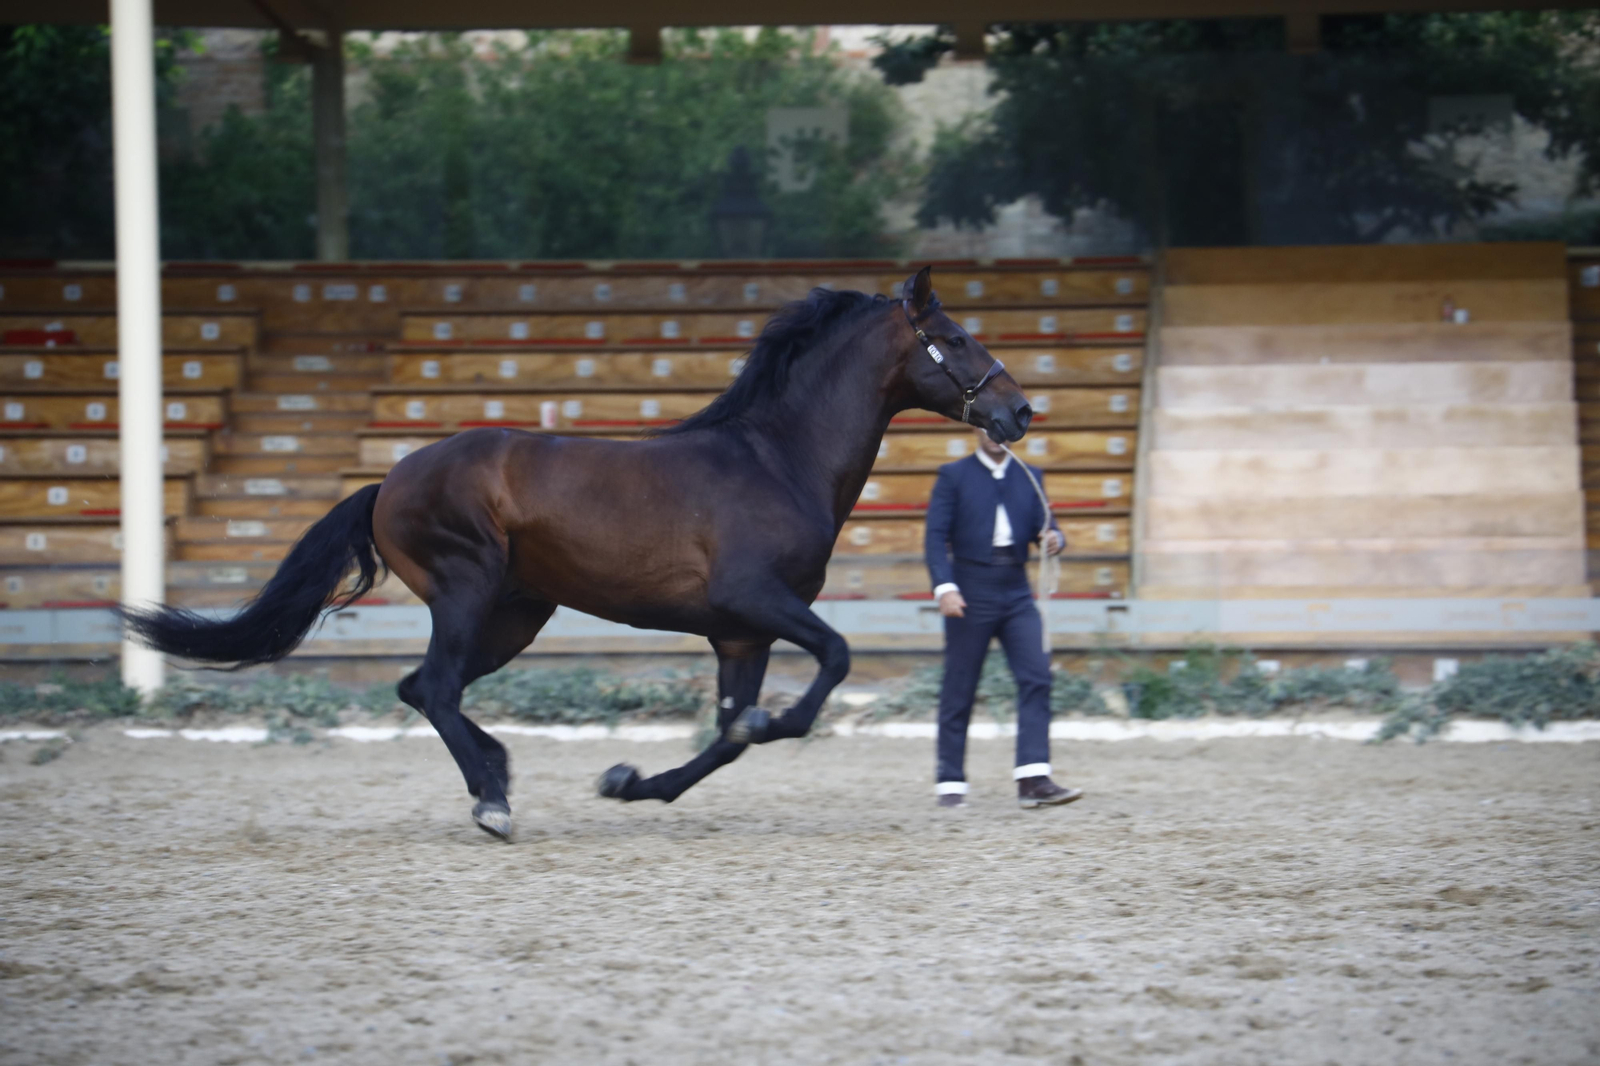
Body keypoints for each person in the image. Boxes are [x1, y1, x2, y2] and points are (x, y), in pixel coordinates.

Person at [924, 428, 1085, 810]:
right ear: (975, 429)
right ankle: (950, 781)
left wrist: (1053, 539)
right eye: (986, 425)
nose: (993, 434)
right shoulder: (953, 475)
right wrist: (944, 587)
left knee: (1037, 676)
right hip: (969, 587)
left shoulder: (1031, 476)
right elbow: (934, 537)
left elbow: (1049, 526)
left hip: (1016, 588)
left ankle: (1033, 779)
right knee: (959, 686)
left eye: (1001, 427)